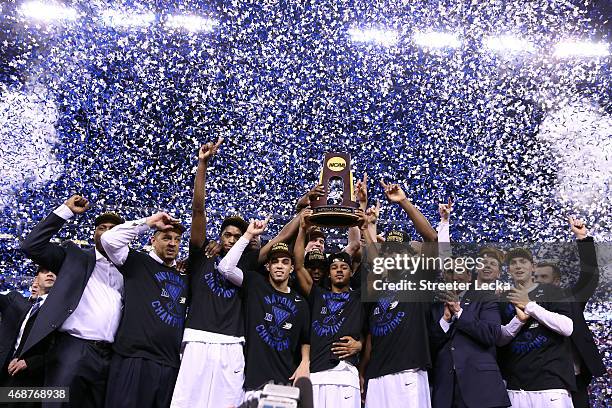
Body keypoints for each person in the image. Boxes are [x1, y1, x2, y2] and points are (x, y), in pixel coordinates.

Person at [20, 196, 124, 408]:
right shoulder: (74, 256)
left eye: (113, 229)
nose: (107, 232)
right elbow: (32, 246)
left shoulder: (130, 268)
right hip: (72, 348)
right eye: (102, 227)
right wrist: (66, 211)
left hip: (111, 356)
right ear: (94, 234)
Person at [360, 180, 437, 408]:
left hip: (408, 373)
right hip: (376, 375)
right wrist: (365, 227)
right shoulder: (376, 285)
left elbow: (432, 240)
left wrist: (403, 201)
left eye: (399, 251)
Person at [100, 212, 188, 408]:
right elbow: (109, 240)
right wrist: (149, 222)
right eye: (166, 238)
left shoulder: (183, 276)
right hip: (134, 358)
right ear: (153, 240)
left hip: (170, 363)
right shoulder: (136, 262)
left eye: (177, 239)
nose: (173, 243)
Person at [218, 221, 310, 399]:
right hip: (254, 383)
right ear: (267, 266)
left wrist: (305, 361)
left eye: (285, 262)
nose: (279, 266)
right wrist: (248, 235)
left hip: (286, 383)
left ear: (291, 268)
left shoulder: (300, 302)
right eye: (274, 261)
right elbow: (225, 268)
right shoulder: (254, 283)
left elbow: (306, 339)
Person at [294, 208, 365, 407]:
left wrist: (365, 225)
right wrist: (301, 230)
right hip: (316, 374)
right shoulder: (317, 294)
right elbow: (298, 265)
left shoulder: (358, 296)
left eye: (344, 267)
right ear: (328, 273)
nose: (339, 271)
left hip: (345, 374)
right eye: (334, 267)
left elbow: (371, 331)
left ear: (352, 272)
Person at [533, 217, 606, 408]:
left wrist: (582, 238)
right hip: (540, 384)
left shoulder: (569, 299)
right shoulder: (526, 305)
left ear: (556, 281)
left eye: (544, 277)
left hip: (574, 382)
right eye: (536, 278)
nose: (539, 281)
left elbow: (589, 278)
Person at [497, 247, 575, 408]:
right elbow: (499, 339)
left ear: (532, 267)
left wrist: (530, 306)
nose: (518, 266)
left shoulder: (552, 291)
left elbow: (567, 327)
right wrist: (519, 320)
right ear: (509, 269)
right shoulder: (502, 299)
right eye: (513, 263)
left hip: (551, 384)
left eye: (523, 261)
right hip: (516, 386)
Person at [429, 258, 510, 408]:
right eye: (449, 271)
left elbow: (491, 334)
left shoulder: (485, 298)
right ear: (444, 276)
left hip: (480, 388)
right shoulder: (435, 307)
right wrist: (446, 320)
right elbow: (430, 349)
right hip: (445, 392)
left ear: (469, 276)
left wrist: (459, 312)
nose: (454, 276)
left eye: (459, 271)